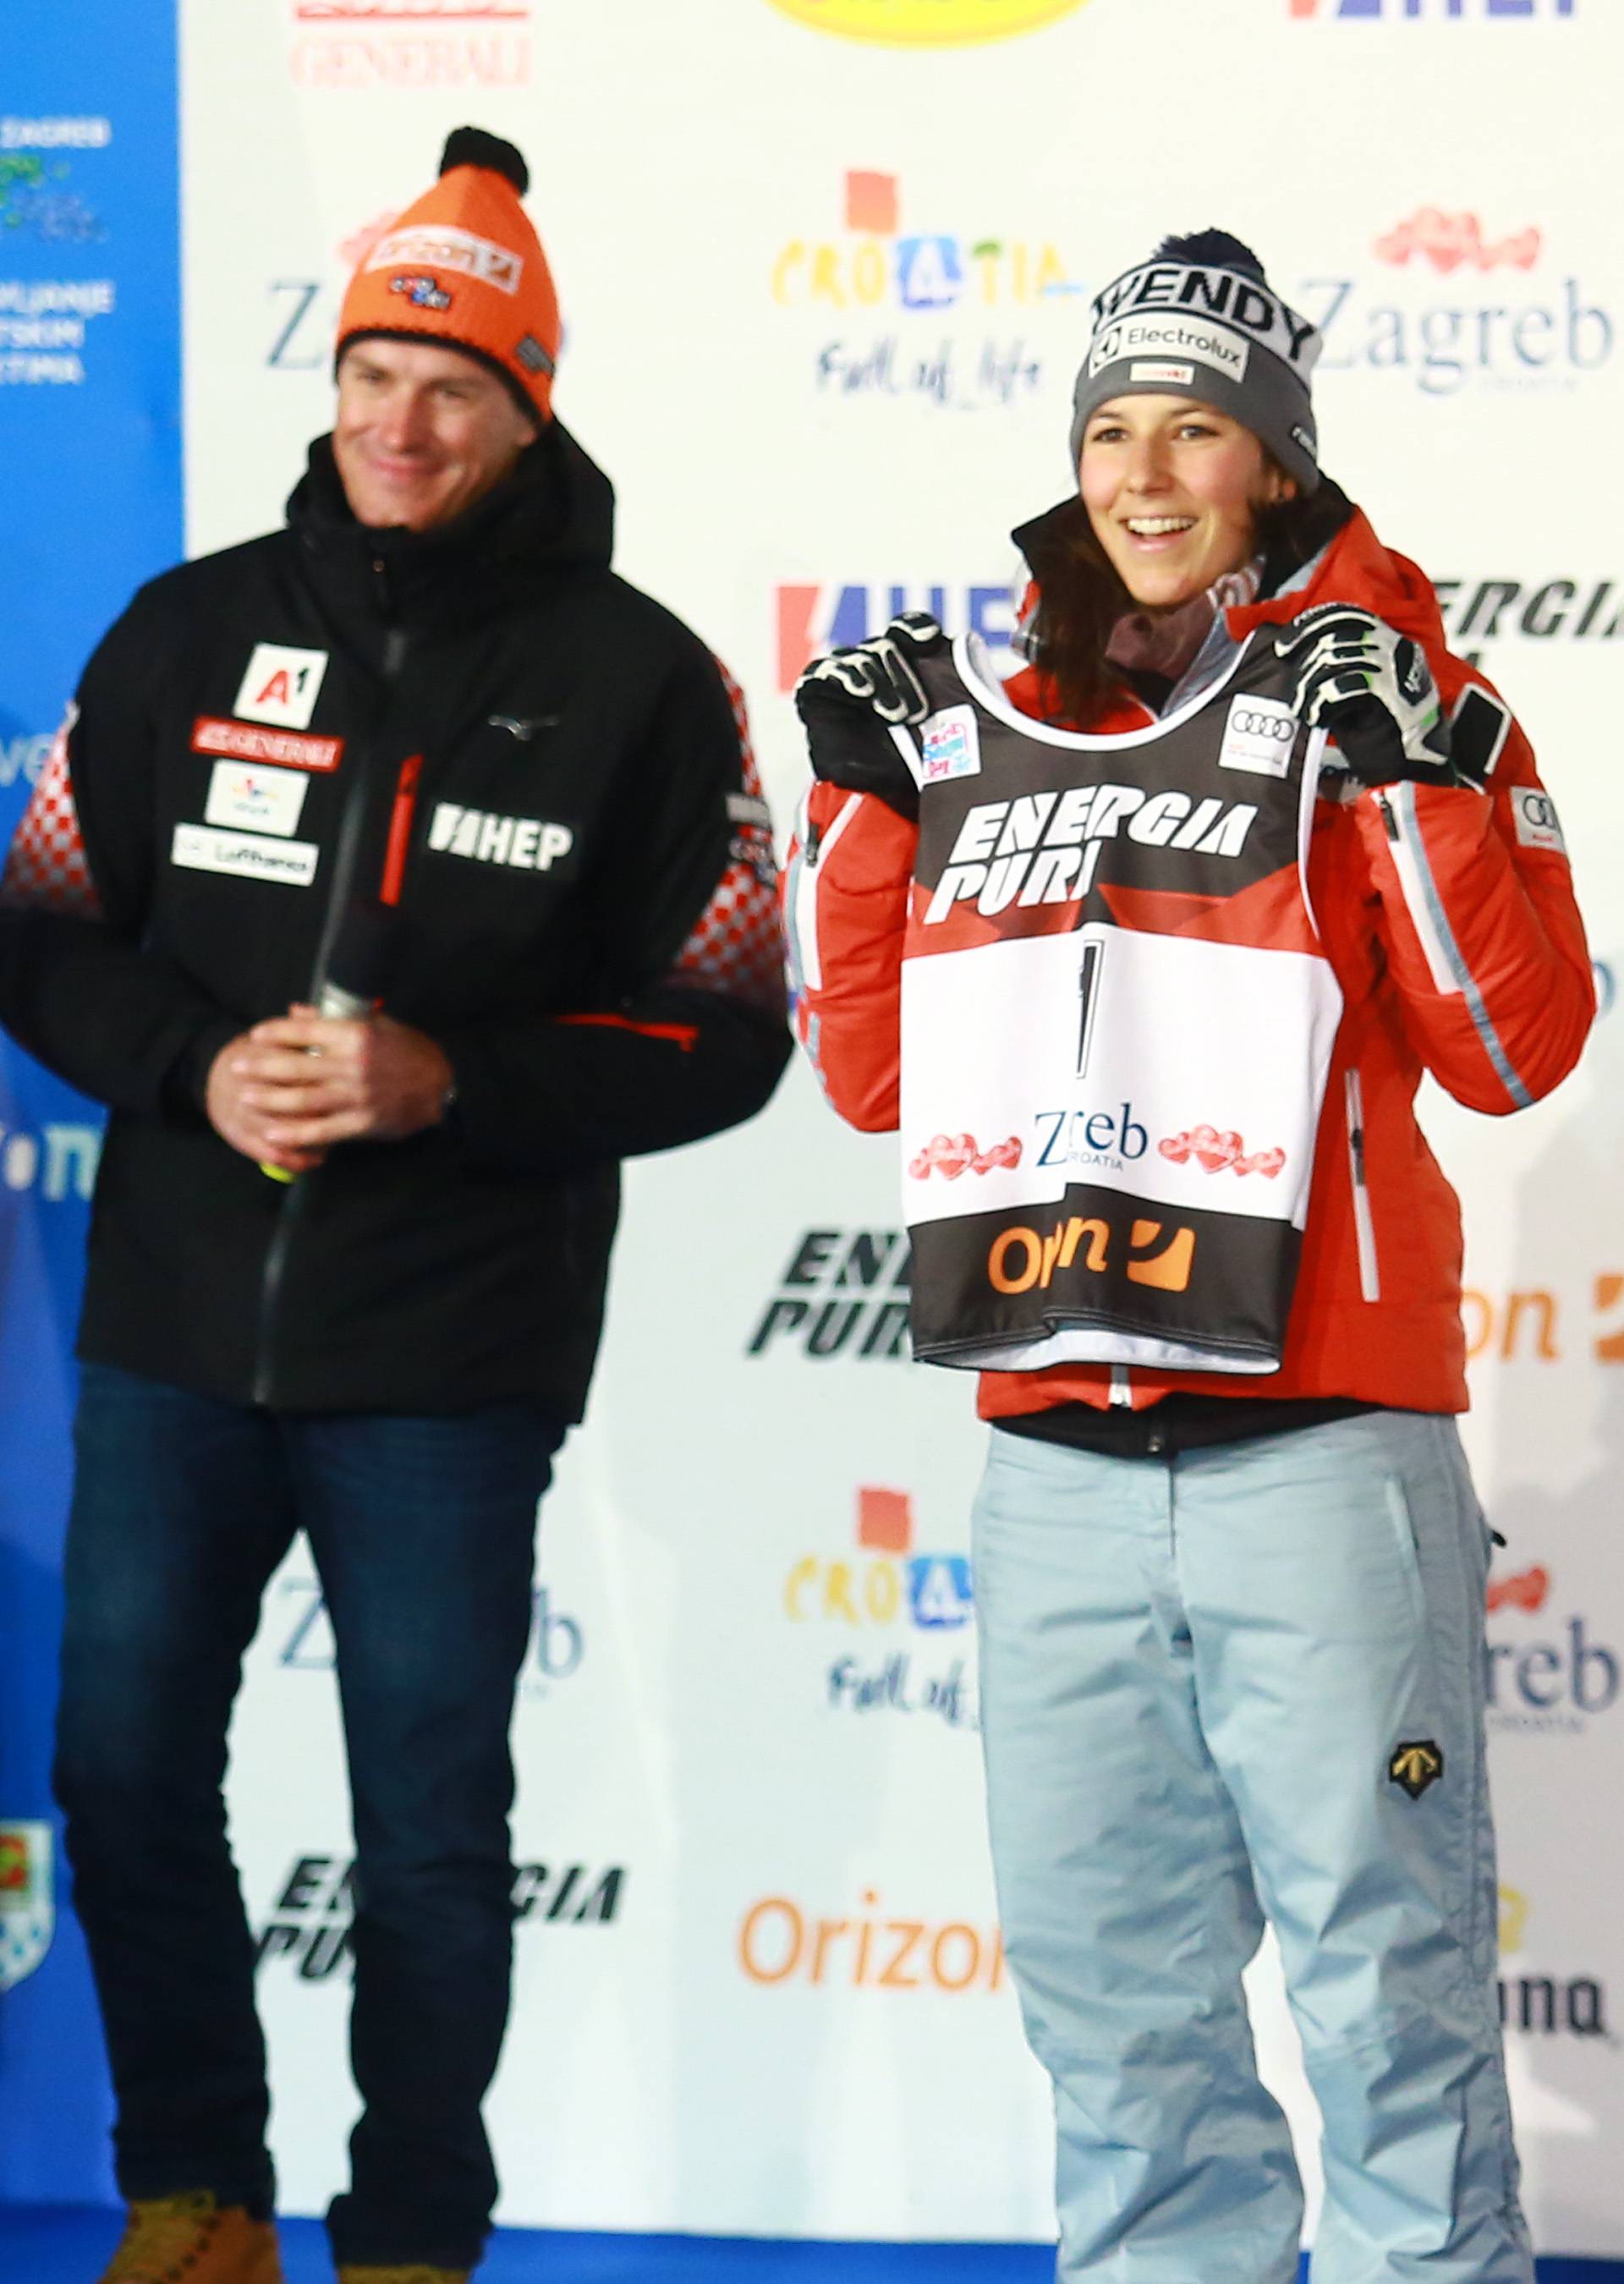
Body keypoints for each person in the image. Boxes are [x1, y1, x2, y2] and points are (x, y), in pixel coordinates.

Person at [0, 128, 787, 2284]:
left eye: (449, 384)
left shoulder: (648, 680)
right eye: (367, 373)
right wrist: (183, 1060)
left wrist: (459, 1082)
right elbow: (40, 930)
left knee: (431, 1836)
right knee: (126, 1772)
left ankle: (416, 2237)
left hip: (447, 1357)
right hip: (172, 1334)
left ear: (530, 410)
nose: (396, 421)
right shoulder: (183, 633)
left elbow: (728, 1033)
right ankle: (198, 2198)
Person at [787, 230, 1592, 2284]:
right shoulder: (990, 725)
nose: (1146, 471)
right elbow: (873, 1080)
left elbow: (1514, 1052)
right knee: (1118, 2030)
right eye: (1112, 428)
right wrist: (869, 813)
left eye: (1199, 427)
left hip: (1321, 1459)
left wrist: (1415, 773)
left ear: (1277, 463)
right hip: (1050, 1467)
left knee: (1389, 2008)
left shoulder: (1416, 695)